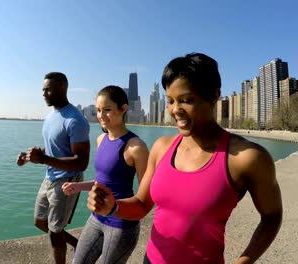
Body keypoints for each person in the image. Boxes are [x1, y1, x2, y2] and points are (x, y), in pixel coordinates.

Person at [87, 53, 283, 264]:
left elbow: (272, 217)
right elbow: (142, 204)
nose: (175, 110)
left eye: (186, 100)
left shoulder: (248, 158)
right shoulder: (161, 148)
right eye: (170, 101)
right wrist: (113, 206)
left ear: (214, 95)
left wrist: (244, 260)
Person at [62, 85, 149, 264]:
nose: (101, 115)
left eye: (107, 110)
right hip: (96, 218)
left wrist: (115, 207)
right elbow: (102, 182)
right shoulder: (101, 140)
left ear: (123, 109)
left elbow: (146, 197)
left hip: (121, 225)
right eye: (99, 110)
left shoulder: (136, 147)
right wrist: (77, 186)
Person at [16, 72, 90, 264]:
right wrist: (30, 157)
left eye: (48, 89)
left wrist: (44, 159)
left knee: (55, 232)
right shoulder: (51, 117)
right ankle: (78, 243)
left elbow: (81, 162)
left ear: (62, 88)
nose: (44, 94)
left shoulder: (75, 120)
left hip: (68, 180)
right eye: (43, 90)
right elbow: (53, 150)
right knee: (40, 222)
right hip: (50, 176)